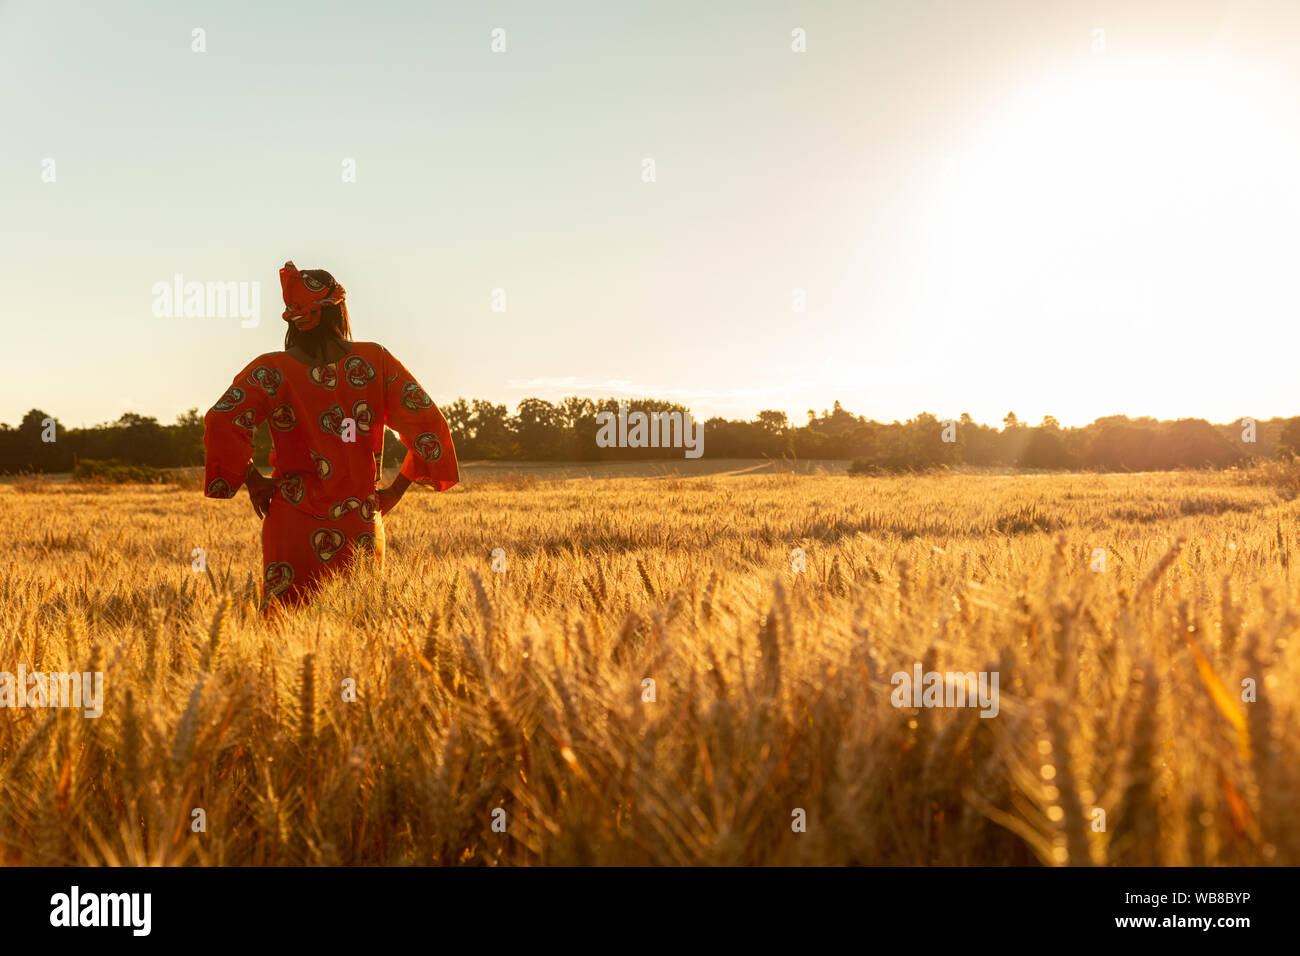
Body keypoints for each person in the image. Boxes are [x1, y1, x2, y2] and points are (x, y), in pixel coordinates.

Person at [203, 261, 459, 609]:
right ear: (339, 311)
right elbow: (430, 424)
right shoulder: (374, 361)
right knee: (356, 625)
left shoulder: (271, 369)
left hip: (292, 523)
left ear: (294, 318)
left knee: (284, 635)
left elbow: (221, 420)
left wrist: (252, 479)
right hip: (359, 521)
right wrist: (395, 491)